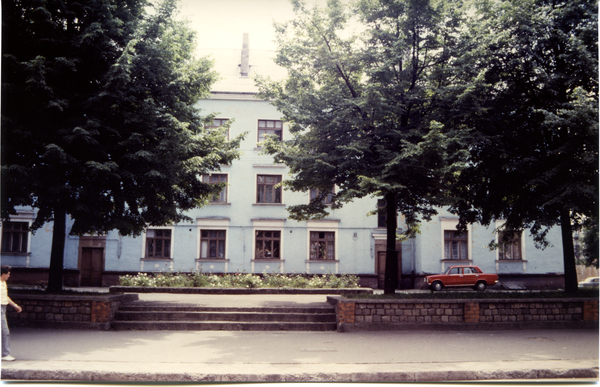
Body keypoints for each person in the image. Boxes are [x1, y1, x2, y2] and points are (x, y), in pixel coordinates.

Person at [1, 265, 22, 361]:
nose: (9, 276)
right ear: (3, 274)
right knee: (5, 332)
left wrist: (15, 305)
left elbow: (6, 297)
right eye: (8, 274)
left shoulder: (3, 283)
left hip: (3, 308)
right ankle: (5, 354)